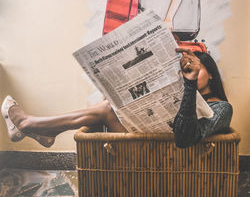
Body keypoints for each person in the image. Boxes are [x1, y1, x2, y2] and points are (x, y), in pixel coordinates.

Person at [1, 49, 232, 148]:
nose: (189, 73)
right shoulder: (180, 92)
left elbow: (184, 138)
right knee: (108, 105)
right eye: (185, 71)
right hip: (137, 140)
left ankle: (31, 125)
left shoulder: (223, 107)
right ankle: (42, 129)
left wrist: (190, 85)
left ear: (210, 73)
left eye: (196, 69)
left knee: (106, 111)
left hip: (162, 152)